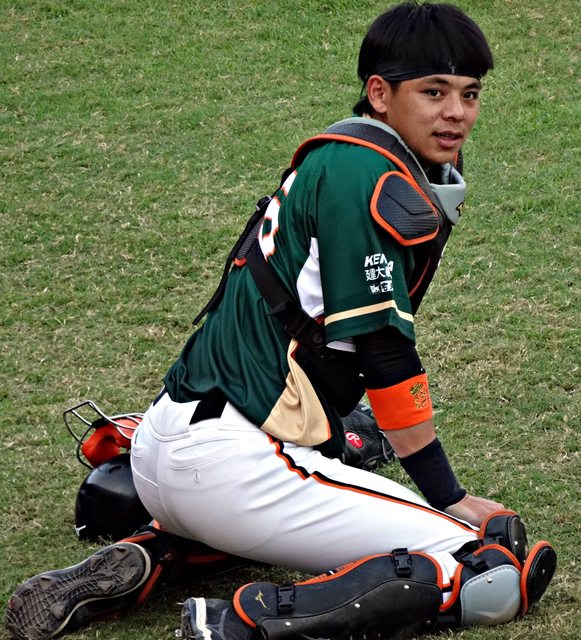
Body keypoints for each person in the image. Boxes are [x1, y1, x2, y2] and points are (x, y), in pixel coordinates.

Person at [5, 3, 557, 640]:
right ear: (380, 94)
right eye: (433, 92)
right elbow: (383, 353)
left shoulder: (343, 156)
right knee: (486, 567)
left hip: (172, 446)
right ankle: (241, 623)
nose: (456, 112)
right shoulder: (370, 175)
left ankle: (161, 555)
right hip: (235, 464)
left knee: (340, 466)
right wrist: (447, 494)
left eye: (469, 94)